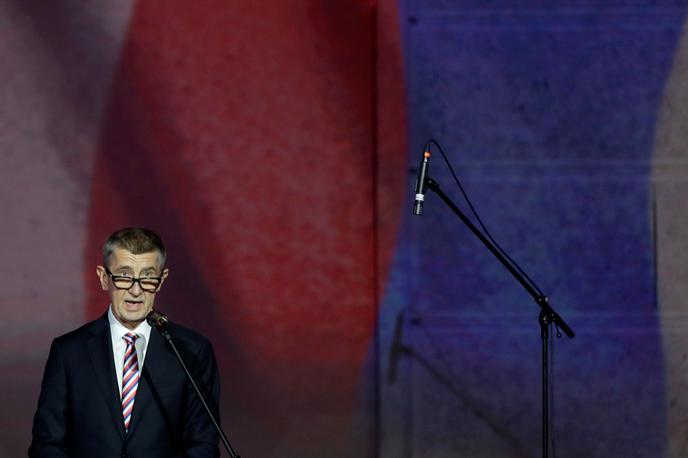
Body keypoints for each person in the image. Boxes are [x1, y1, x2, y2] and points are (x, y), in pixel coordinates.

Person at [29, 227, 221, 457]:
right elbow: (47, 445)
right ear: (103, 278)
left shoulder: (191, 351)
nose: (136, 290)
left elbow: (203, 444)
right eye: (124, 276)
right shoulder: (69, 352)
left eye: (148, 276)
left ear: (161, 280)